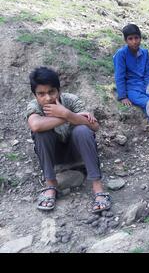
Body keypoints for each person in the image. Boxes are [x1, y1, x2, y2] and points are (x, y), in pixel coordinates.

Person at [26, 67, 111, 212]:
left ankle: (97, 187)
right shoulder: (34, 106)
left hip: (77, 152)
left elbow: (95, 126)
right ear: (35, 95)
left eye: (51, 92)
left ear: (59, 90)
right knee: (41, 133)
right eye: (41, 94)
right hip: (55, 156)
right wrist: (68, 116)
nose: (47, 98)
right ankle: (51, 185)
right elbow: (35, 125)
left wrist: (67, 112)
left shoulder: (71, 100)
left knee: (83, 130)